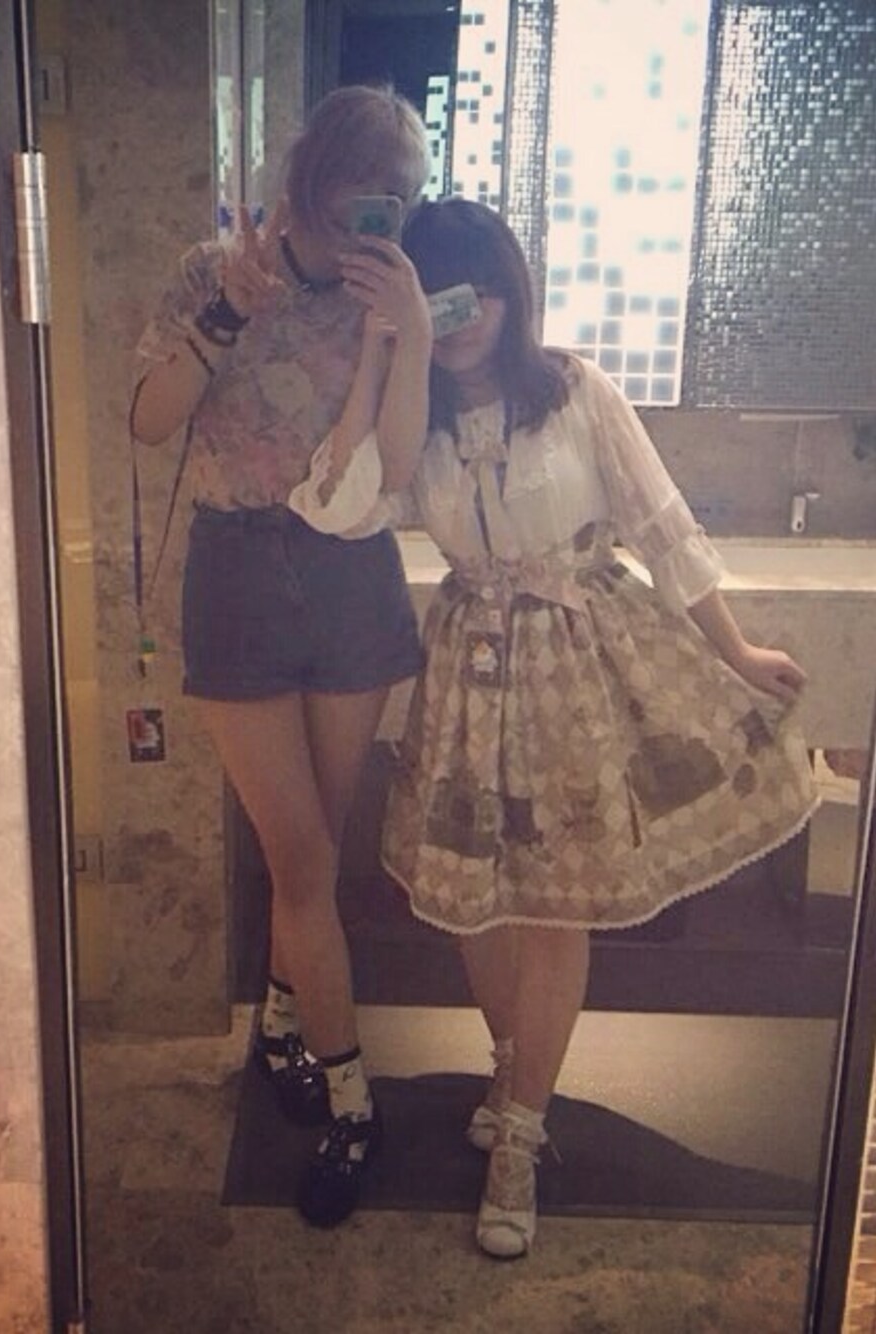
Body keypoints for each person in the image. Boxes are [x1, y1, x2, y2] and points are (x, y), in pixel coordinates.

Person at [289, 197, 819, 1257]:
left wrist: (736, 652)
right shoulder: (416, 415)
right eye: (440, 297)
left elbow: (661, 524)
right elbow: (338, 505)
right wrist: (384, 352)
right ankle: (513, 1066)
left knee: (553, 912)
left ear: (511, 292)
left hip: (578, 669)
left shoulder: (573, 389)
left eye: (478, 293)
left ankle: (522, 1135)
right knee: (473, 909)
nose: (465, 317)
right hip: (468, 680)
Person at [130, 84, 434, 1228]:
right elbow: (147, 418)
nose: (382, 210)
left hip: (351, 573)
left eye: (402, 194)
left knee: (314, 854)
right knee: (302, 857)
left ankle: (278, 1027)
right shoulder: (214, 271)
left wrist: (404, 333)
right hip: (239, 571)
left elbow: (396, 465)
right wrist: (226, 311)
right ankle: (352, 1104)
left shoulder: (385, 295)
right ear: (314, 175)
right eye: (368, 186)